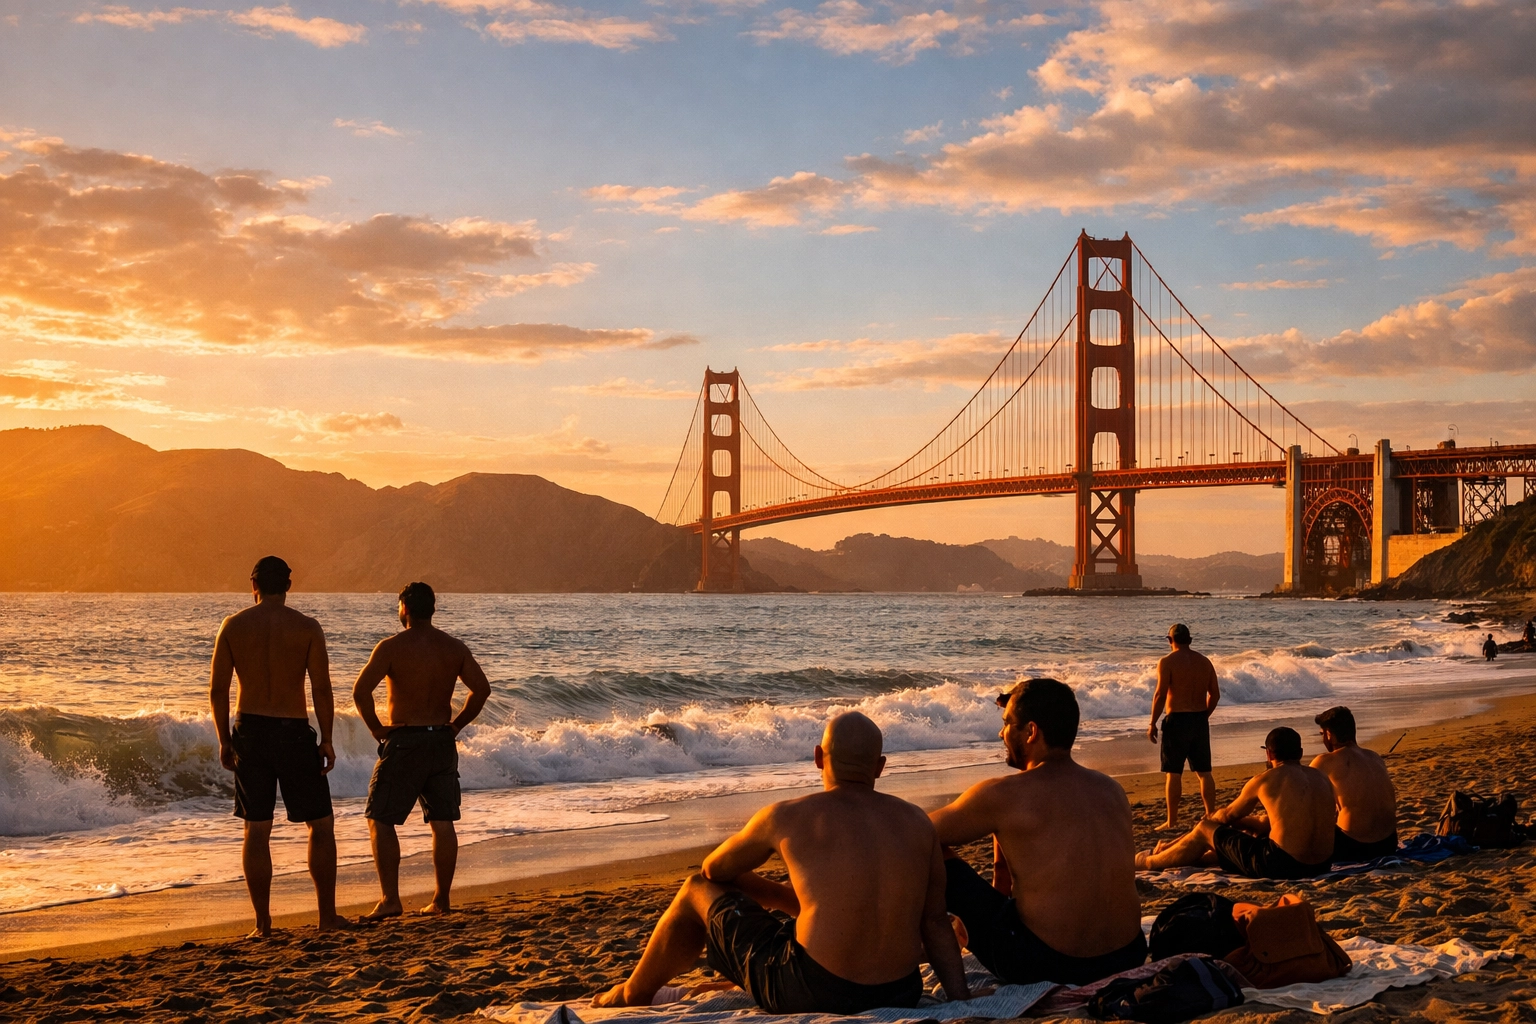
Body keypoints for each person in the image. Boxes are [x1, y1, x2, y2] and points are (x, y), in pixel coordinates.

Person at [593, 713, 969, 1013]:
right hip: (900, 991)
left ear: (819, 758)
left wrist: (771, 892)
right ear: (880, 766)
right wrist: (959, 997)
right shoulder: (918, 822)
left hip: (814, 989)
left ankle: (631, 993)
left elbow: (713, 871)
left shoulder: (787, 816)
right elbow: (934, 921)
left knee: (696, 889)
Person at [929, 678, 1146, 986]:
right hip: (1128, 954)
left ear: (1031, 732)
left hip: (1048, 964)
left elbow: (916, 833)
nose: (1000, 733)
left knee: (929, 852)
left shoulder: (1004, 795)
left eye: (1007, 724)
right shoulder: (1110, 788)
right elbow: (1003, 877)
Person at [209, 556, 351, 936]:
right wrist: (327, 739)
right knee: (320, 825)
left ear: (252, 584)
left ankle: (262, 924)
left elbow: (218, 690)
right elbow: (321, 688)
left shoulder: (233, 626)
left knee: (256, 830)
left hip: (250, 731)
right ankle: (326, 917)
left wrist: (224, 739)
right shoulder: (306, 627)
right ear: (288, 586)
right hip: (293, 732)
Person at [353, 582, 492, 918]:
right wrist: (456, 725)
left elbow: (360, 691)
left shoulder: (391, 647)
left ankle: (390, 899)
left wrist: (376, 729)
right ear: (433, 608)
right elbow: (482, 690)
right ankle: (441, 900)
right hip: (441, 741)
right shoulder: (453, 647)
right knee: (442, 821)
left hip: (406, 740)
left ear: (404, 609)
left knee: (380, 819)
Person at [1135, 726, 1335, 879]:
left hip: (1281, 865)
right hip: (1322, 864)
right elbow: (1279, 821)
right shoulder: (1321, 777)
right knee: (1245, 834)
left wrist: (1209, 820)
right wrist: (1243, 823)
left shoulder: (1265, 779)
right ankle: (1181, 854)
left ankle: (1150, 862)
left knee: (1206, 828)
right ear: (1300, 753)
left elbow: (1226, 816)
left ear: (1269, 754)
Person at [1147, 623, 1221, 829]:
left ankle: (1172, 821)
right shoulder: (1204, 662)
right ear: (1189, 639)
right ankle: (1210, 815)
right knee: (1204, 772)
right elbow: (1215, 694)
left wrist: (1152, 723)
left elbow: (1160, 694)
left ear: (1170, 640)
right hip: (1198, 720)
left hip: (1176, 720)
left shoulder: (1167, 662)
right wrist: (1204, 714)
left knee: (1173, 772)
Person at [1309, 707, 1397, 861]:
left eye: (1322, 734)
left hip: (1354, 845)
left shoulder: (1324, 761)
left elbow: (1301, 792)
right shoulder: (1374, 757)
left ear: (1329, 734)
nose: (1323, 740)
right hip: (1389, 843)